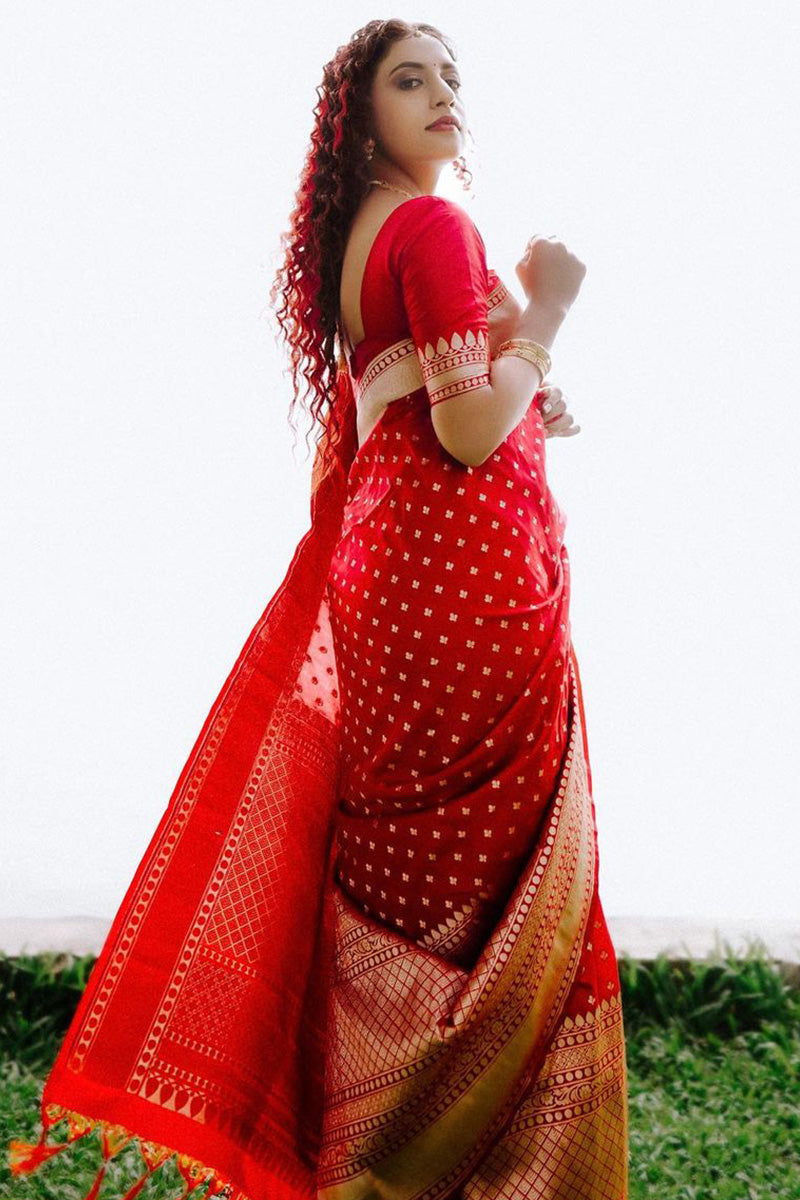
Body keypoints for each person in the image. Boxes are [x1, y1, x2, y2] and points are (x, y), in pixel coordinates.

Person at [8, 18, 629, 1200]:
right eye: (411, 79)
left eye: (452, 77)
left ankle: (371, 1149)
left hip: (387, 571)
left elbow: (406, 409)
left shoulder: (363, 234)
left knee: (406, 860)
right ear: (362, 113)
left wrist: (515, 378)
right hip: (460, 583)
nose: (443, 94)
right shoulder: (437, 225)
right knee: (483, 877)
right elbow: (461, 431)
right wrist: (545, 315)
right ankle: (466, 1168)